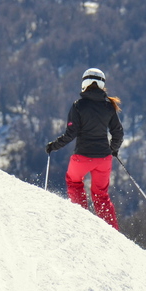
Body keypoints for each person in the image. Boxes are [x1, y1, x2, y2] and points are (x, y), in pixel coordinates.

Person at [46, 68, 124, 230]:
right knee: (101, 195)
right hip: (104, 159)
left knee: (74, 182)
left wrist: (54, 146)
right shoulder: (109, 106)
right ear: (102, 84)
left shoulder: (78, 106)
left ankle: (81, 221)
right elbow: (118, 132)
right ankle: (112, 231)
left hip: (82, 157)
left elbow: (70, 133)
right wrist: (113, 149)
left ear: (84, 83)